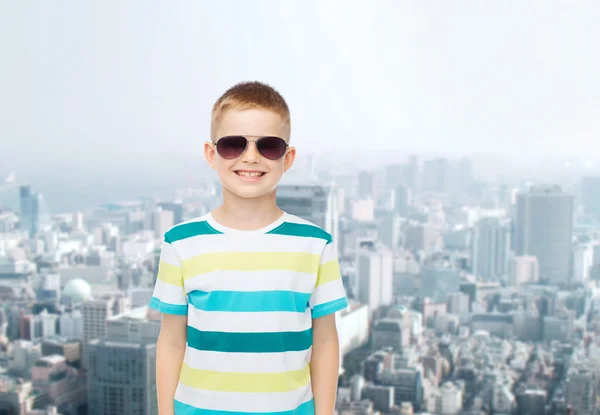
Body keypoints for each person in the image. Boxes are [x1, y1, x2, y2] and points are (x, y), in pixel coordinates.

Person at [150, 81, 348, 415]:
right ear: (212, 154)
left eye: (269, 146)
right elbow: (171, 340)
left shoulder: (316, 244)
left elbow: (326, 340)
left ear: (288, 158)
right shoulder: (180, 243)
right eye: (233, 145)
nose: (251, 157)